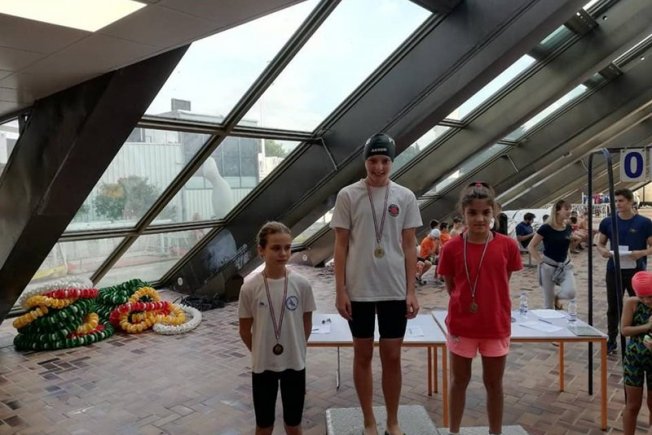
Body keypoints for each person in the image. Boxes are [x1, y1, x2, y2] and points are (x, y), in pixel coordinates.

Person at [331, 132, 422, 435]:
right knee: (363, 355)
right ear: (365, 161)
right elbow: (340, 246)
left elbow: (409, 246)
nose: (379, 167)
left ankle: (393, 421)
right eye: (373, 160)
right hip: (359, 290)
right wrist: (340, 290)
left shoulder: (405, 197)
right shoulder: (348, 195)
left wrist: (411, 290)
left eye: (384, 161)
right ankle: (369, 420)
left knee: (392, 357)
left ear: (392, 162)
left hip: (394, 289)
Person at [437, 182, 522, 435]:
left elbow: (503, 280)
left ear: (493, 212)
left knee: (494, 384)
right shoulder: (451, 248)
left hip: (495, 325)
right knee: (459, 381)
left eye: (486, 212)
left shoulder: (507, 246)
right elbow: (451, 286)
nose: (480, 218)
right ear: (463, 214)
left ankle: (495, 432)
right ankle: (454, 431)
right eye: (472, 213)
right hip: (462, 325)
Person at [238, 221, 316, 435]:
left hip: (294, 363)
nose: (283, 253)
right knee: (264, 426)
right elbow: (244, 330)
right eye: (275, 248)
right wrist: (259, 352)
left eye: (287, 247)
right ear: (261, 250)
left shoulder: (302, 284)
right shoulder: (249, 288)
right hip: (263, 366)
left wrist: (298, 349)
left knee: (293, 425)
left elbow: (306, 323)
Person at [596, 188, 652, 355]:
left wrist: (641, 253)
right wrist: (602, 251)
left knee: (641, 304)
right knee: (613, 306)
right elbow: (600, 243)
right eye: (615, 201)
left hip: (637, 272)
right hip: (614, 270)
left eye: (621, 201)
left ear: (630, 202)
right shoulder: (608, 222)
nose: (617, 204)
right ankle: (612, 339)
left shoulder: (644, 223)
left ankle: (641, 338)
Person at [527, 200, 577, 310]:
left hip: (564, 265)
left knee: (571, 292)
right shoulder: (546, 228)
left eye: (570, 209)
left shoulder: (568, 227)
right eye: (566, 209)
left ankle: (556, 298)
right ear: (557, 210)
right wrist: (540, 262)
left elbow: (567, 245)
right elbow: (531, 246)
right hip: (548, 266)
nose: (569, 211)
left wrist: (571, 253)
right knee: (548, 305)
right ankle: (551, 315)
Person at [620, 271, 652, 435]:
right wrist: (647, 326)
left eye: (650, 297)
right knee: (632, 405)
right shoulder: (632, 303)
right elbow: (624, 330)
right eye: (642, 297)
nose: (647, 301)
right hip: (634, 360)